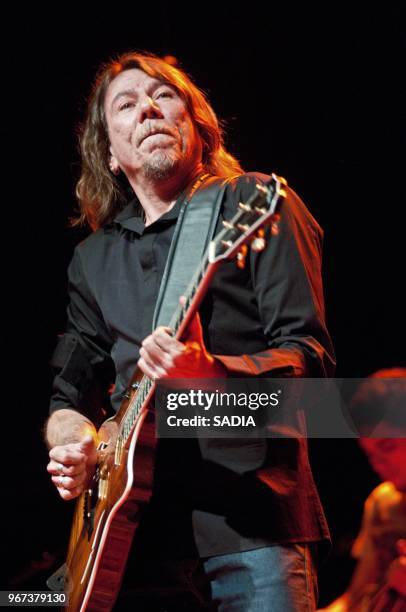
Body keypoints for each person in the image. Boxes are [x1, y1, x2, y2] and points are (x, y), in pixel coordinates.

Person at [45, 51, 336, 611]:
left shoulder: (252, 204)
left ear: (195, 125)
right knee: (19, 599)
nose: (149, 108)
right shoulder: (92, 259)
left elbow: (313, 368)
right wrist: (75, 444)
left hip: (251, 530)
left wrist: (210, 377)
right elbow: (67, 398)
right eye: (126, 104)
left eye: (165, 96)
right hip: (131, 544)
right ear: (110, 153)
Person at [320, 369, 406, 612]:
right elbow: (354, 600)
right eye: (370, 454)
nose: (377, 464)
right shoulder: (382, 502)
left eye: (387, 447)